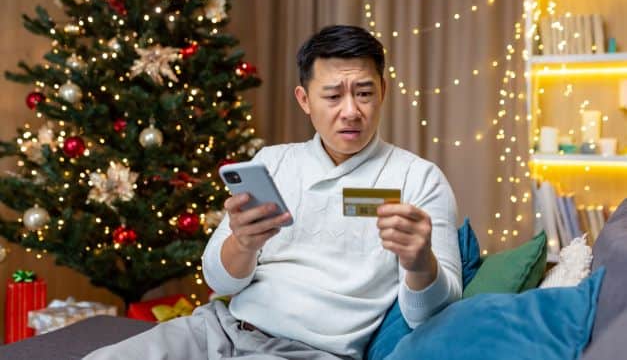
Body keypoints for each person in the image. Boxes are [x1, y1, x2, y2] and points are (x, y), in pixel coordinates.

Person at [85, 25, 462, 360]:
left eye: (364, 93)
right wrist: (243, 244)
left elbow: (432, 317)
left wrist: (419, 262)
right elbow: (219, 281)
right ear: (304, 100)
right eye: (332, 96)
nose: (351, 111)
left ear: (383, 91)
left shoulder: (418, 178)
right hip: (218, 328)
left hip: (306, 352)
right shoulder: (273, 163)